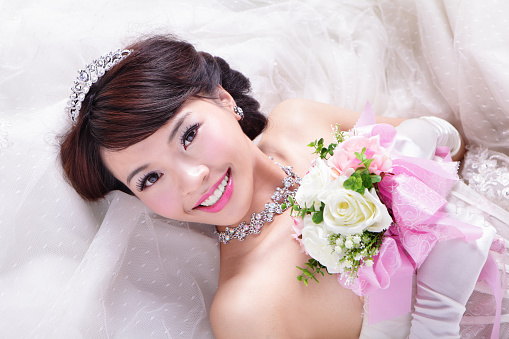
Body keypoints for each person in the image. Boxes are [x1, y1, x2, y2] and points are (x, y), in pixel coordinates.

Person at [60, 35, 506, 338]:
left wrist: (407, 154)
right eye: (150, 178)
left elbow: (458, 145)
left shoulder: (299, 122)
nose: (192, 179)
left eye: (188, 135)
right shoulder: (247, 308)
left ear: (224, 101)